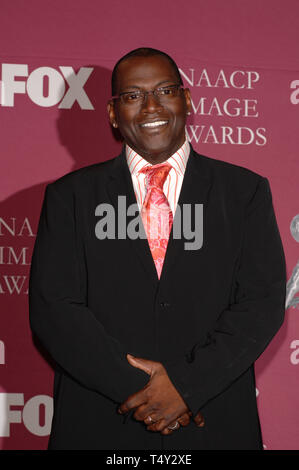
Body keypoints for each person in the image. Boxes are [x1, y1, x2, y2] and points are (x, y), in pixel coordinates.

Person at [29, 47, 286, 450]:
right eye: (133, 96)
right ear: (113, 114)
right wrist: (148, 395)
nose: (151, 105)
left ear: (186, 100)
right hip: (100, 422)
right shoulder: (70, 198)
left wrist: (187, 387)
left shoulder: (244, 192)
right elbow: (55, 310)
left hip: (213, 423)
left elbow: (261, 304)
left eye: (165, 90)